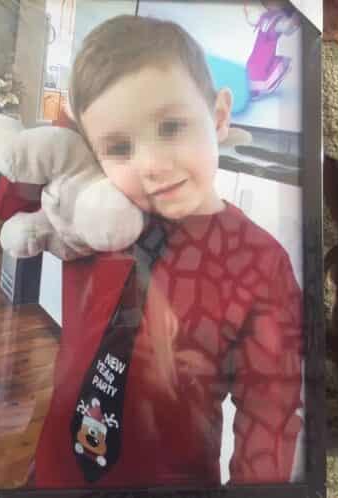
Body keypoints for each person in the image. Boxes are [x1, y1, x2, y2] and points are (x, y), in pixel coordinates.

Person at [32, 14, 303, 489]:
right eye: (119, 147)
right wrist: (59, 153)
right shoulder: (90, 219)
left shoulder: (262, 263)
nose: (152, 165)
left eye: (172, 126)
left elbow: (270, 418)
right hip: (55, 473)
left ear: (219, 116)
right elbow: (7, 199)